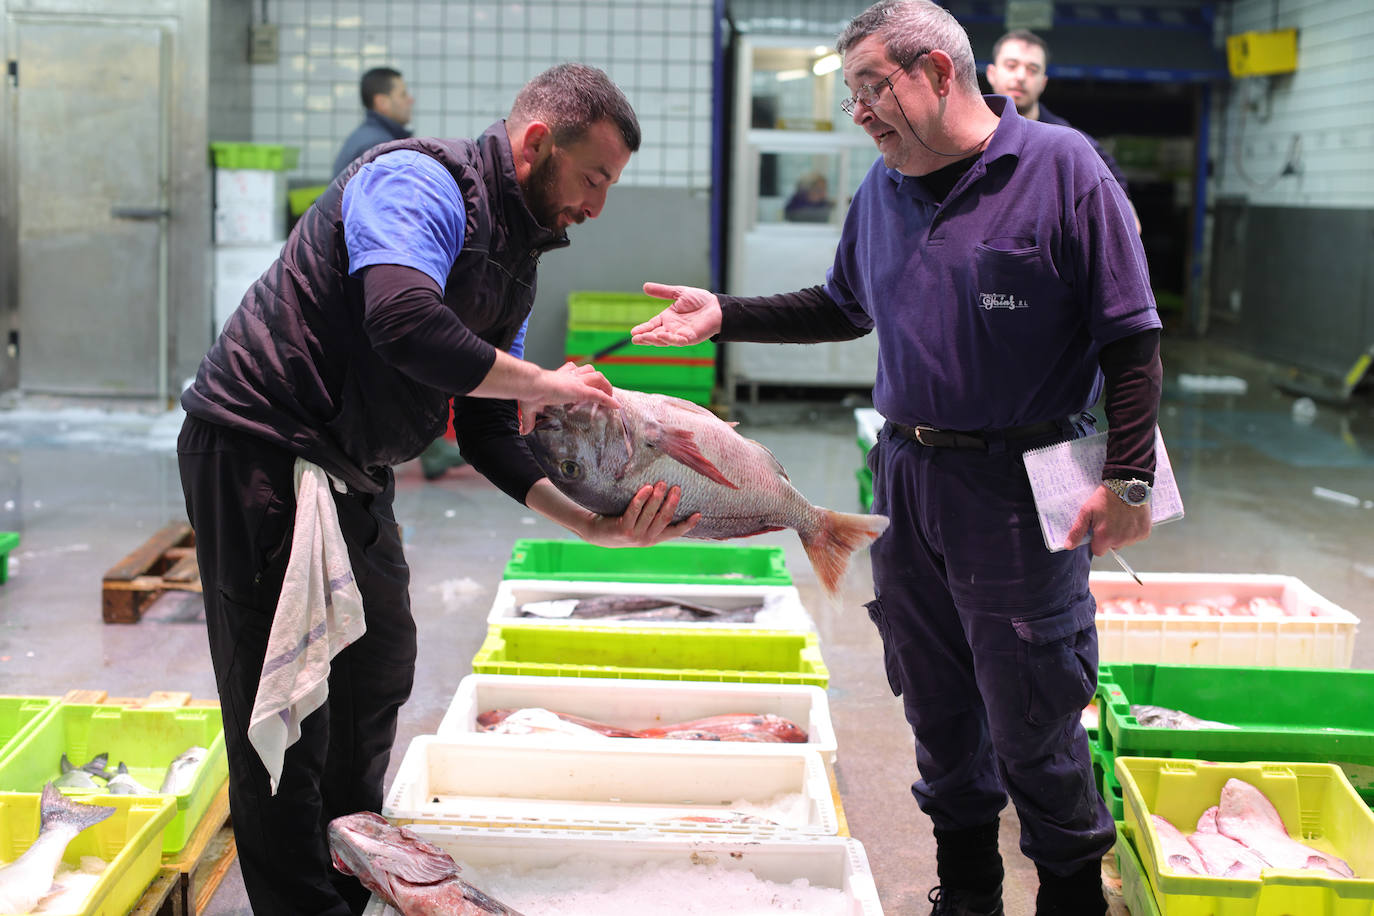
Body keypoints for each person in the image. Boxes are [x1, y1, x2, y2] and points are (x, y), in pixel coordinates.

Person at [632, 3, 1161, 914]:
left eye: (874, 88)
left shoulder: (1061, 169)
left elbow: (1131, 337)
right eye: (852, 96)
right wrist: (726, 312)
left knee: (1033, 710)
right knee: (936, 699)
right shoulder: (882, 189)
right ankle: (967, 894)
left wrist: (1130, 476)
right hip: (909, 478)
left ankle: (1071, 892)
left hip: (1022, 482)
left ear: (939, 73)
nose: (862, 112)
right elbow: (843, 303)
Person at [178, 64, 700, 916]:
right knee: (287, 712)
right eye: (595, 178)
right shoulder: (417, 181)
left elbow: (488, 425)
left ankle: (346, 880)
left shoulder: (518, 256)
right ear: (538, 143)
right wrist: (547, 383)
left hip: (351, 466)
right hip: (261, 452)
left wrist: (590, 527)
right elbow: (402, 318)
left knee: (375, 676)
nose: (599, 206)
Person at [984, 29, 1142, 233]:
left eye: (1032, 69)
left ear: (1043, 83)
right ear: (991, 73)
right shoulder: (968, 135)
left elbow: (1128, 226)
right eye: (1011, 66)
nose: (1021, 76)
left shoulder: (1071, 142)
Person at [332, 67, 415, 179]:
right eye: (403, 94)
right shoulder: (378, 146)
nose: (410, 100)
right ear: (382, 102)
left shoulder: (368, 137)